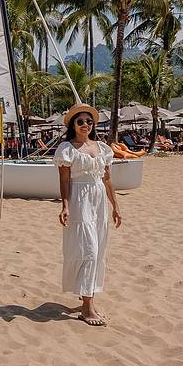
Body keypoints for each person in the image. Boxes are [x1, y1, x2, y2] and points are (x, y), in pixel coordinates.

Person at [55, 103, 123, 326]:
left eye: (89, 121)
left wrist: (116, 206)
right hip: (79, 200)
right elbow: (64, 180)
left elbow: (107, 179)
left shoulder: (102, 148)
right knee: (88, 250)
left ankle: (88, 299)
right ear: (73, 125)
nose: (85, 124)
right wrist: (65, 205)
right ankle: (87, 308)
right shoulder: (67, 149)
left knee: (98, 250)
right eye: (81, 121)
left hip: (98, 200)